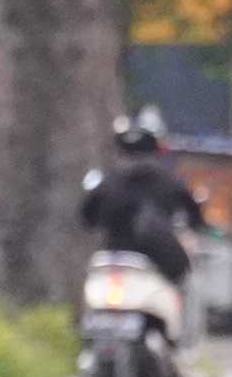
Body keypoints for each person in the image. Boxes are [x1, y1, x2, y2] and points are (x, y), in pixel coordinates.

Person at [78, 109, 202, 291]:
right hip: (155, 264)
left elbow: (87, 217)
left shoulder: (109, 181)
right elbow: (194, 213)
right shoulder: (169, 180)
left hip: (117, 261)